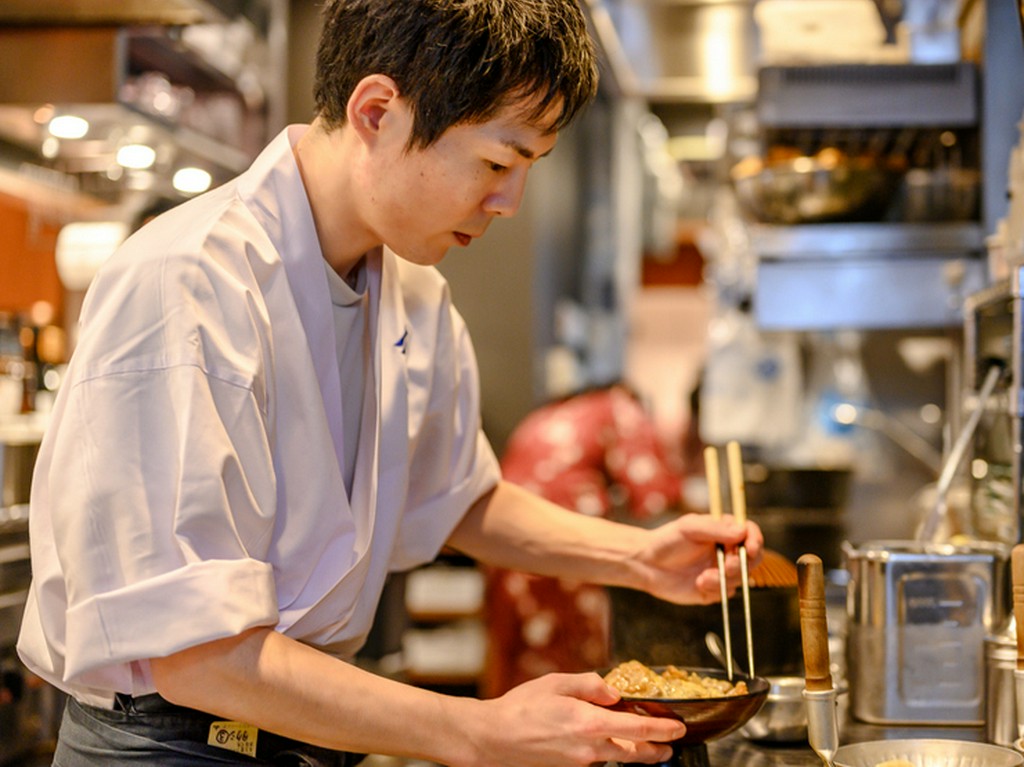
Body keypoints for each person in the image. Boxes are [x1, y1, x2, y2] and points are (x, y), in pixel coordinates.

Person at [17, 2, 763, 766]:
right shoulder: (190, 282)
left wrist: (638, 557)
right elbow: (199, 655)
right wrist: (479, 730)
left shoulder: (412, 291)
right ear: (377, 112)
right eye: (500, 163)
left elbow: (455, 496)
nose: (509, 202)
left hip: (311, 732)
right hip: (168, 745)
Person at [484, 382, 685, 696]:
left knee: (515, 648)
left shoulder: (552, 412)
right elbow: (654, 495)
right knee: (574, 651)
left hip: (501, 538)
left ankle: (513, 733)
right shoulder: (619, 405)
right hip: (564, 542)